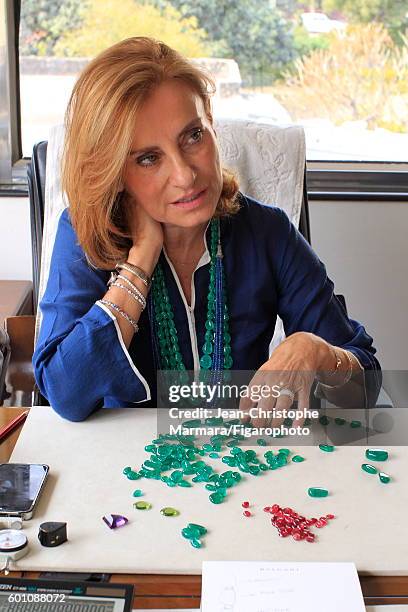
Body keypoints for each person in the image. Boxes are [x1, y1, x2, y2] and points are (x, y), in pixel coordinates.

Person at [33, 37, 381, 423]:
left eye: (193, 136)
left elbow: (364, 390)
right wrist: (141, 260)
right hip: (125, 472)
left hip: (244, 462)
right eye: (149, 158)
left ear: (212, 126)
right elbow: (65, 394)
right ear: (114, 174)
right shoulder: (85, 234)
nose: (184, 175)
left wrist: (316, 350)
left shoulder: (267, 231)